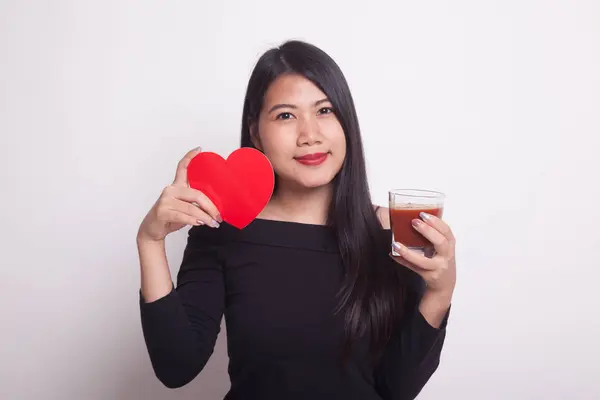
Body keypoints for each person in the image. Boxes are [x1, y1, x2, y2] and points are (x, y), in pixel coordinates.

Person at [136, 40, 456, 400]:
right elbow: (176, 367)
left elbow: (396, 389)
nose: (310, 135)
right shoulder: (222, 231)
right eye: (285, 115)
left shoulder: (390, 232)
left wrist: (439, 293)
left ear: (346, 121)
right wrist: (150, 242)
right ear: (256, 132)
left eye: (324, 110)